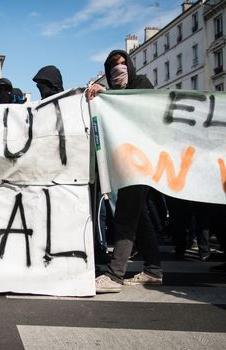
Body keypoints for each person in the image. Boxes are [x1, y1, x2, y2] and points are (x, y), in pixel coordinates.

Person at [87, 50, 163, 293]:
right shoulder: (113, 93)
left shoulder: (141, 83)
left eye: (122, 64)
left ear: (129, 65)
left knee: (125, 217)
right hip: (126, 163)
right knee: (139, 216)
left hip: (141, 163)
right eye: (113, 67)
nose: (118, 70)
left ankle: (115, 275)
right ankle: (153, 270)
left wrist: (107, 94)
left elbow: (139, 105)